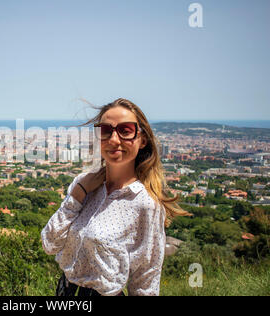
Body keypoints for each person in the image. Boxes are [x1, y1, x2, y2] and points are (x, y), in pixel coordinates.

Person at [41, 98, 191, 296]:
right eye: (106, 130)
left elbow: (146, 279)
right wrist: (77, 195)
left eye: (125, 130)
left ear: (142, 139)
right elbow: (50, 244)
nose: (114, 140)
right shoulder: (83, 184)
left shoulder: (146, 204)